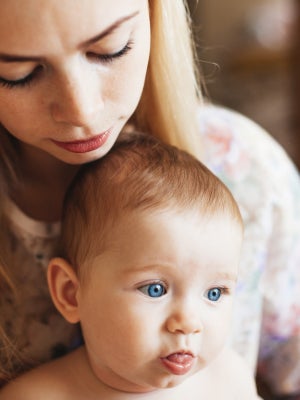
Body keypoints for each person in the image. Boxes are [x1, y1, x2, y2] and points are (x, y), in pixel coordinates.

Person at [0, 0, 298, 398]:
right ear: (70, 291)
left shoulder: (249, 172)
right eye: (18, 75)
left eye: (111, 49)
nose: (82, 111)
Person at [0, 132, 262, 399]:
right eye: (155, 289)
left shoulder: (229, 381)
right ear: (70, 293)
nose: (188, 323)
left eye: (214, 293)